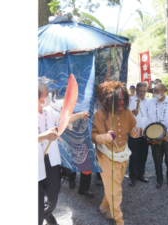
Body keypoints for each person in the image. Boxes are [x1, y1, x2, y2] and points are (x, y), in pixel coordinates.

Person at [37, 82, 89, 225]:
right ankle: (40, 217)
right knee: (38, 202)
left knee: (53, 195)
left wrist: (79, 114)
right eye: (46, 94)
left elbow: (63, 119)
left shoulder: (48, 110)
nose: (48, 97)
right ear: (37, 97)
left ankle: (46, 214)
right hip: (37, 164)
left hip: (51, 161)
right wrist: (45, 136)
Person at [92, 81, 141, 225]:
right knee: (114, 189)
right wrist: (103, 137)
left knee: (115, 184)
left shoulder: (127, 113)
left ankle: (103, 207)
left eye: (123, 99)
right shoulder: (99, 115)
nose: (121, 102)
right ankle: (119, 219)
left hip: (123, 153)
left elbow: (132, 129)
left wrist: (135, 133)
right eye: (117, 100)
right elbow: (93, 136)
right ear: (107, 100)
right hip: (105, 155)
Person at [145, 83, 168, 189]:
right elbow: (148, 118)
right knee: (157, 159)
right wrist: (148, 133)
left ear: (164, 91)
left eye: (157, 91)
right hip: (154, 136)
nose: (155, 93)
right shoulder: (151, 102)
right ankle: (159, 180)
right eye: (154, 91)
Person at [128, 82, 150, 187]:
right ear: (136, 90)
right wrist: (131, 112)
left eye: (144, 91)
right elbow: (123, 114)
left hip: (145, 132)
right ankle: (132, 176)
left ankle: (140, 174)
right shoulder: (131, 100)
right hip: (134, 131)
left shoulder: (148, 101)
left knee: (143, 154)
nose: (142, 93)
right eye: (140, 91)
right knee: (134, 155)